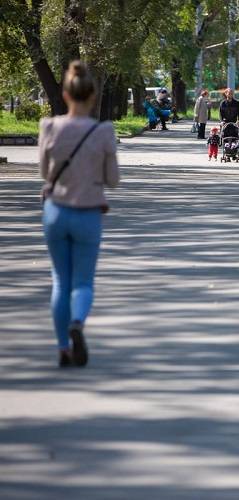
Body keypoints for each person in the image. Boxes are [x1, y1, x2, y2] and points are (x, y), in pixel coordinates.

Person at [39, 60, 120, 368]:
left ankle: (62, 349)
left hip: (56, 212)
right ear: (93, 96)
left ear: (65, 94)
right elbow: (113, 180)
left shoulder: (49, 127)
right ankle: (77, 321)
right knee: (83, 282)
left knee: (60, 280)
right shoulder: (103, 132)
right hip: (88, 214)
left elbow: (45, 173)